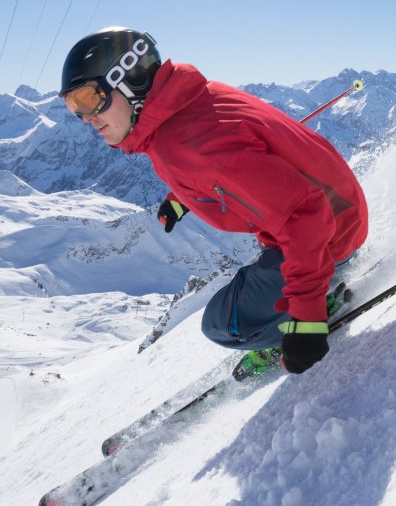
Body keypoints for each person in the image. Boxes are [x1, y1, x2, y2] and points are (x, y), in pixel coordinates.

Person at [59, 27, 368, 375]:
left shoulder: (185, 146)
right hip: (343, 207)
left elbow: (304, 213)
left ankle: (312, 305)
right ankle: (311, 287)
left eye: (88, 98)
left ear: (128, 79)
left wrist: (308, 321)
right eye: (73, 106)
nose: (85, 117)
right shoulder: (193, 101)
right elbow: (231, 161)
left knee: (222, 324)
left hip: (328, 234)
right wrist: (183, 196)